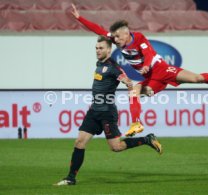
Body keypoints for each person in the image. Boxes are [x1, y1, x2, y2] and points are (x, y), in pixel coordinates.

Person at [71, 4, 208, 137]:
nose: (115, 40)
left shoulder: (138, 37)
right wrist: (79, 18)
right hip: (151, 77)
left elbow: (148, 52)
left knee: (197, 79)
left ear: (126, 33)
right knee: (135, 92)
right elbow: (98, 30)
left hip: (162, 70)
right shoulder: (117, 39)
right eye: (114, 36)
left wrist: (147, 64)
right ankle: (136, 124)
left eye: (117, 36)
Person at [55, 35, 162, 186]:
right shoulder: (99, 63)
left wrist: (130, 86)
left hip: (107, 113)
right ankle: (70, 178)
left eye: (101, 48)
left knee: (116, 147)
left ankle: (146, 139)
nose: (98, 51)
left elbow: (126, 80)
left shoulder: (113, 67)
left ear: (109, 50)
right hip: (94, 111)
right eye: (96, 48)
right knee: (79, 142)